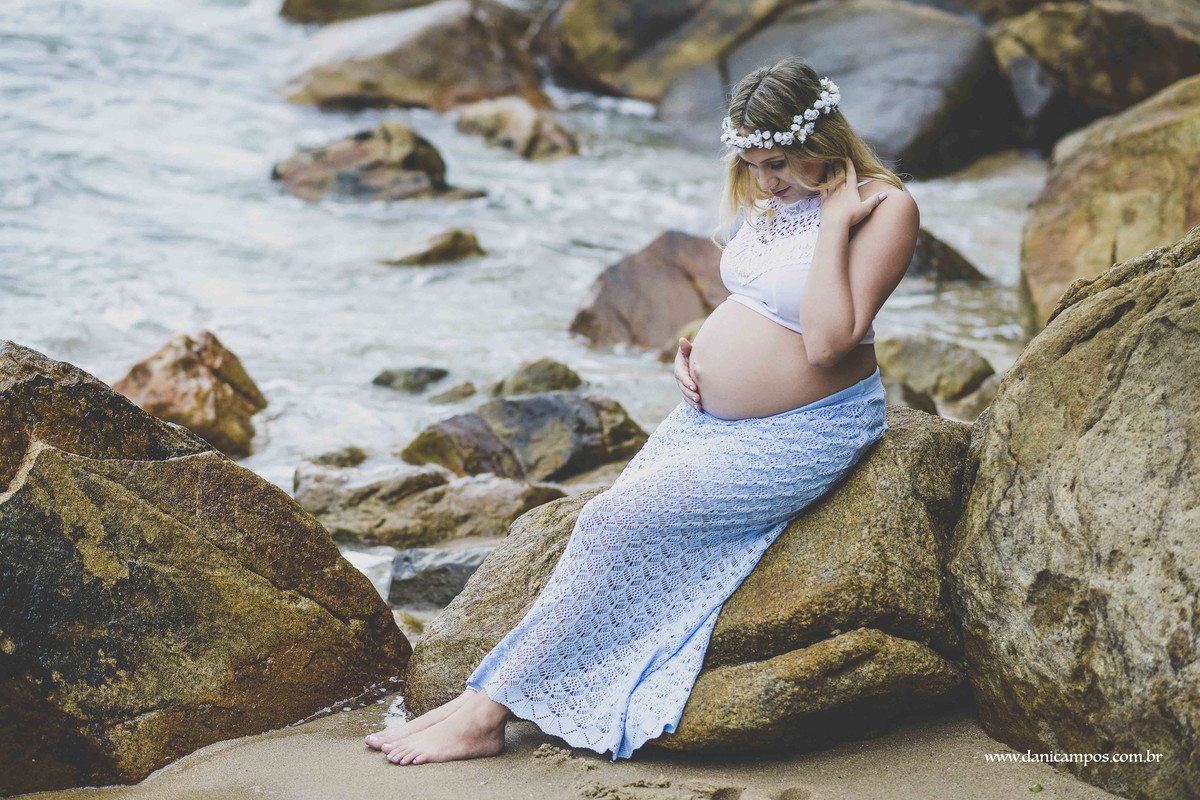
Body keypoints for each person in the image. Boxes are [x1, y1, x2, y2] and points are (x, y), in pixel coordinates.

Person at [364, 56, 920, 766]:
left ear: (823, 141)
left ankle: (485, 714)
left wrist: (836, 222)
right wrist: (701, 348)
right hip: (711, 418)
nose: (765, 180)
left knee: (609, 520)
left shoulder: (883, 207)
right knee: (606, 527)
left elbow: (826, 339)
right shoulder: (774, 199)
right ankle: (481, 699)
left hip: (807, 429)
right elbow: (756, 297)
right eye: (751, 163)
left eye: (778, 161)